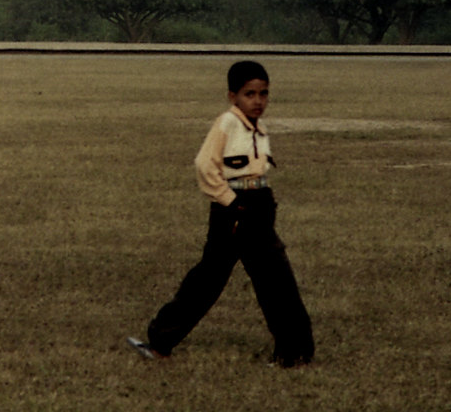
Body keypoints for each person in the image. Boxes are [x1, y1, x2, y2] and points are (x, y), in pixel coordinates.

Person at [128, 59, 314, 367]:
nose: (258, 101)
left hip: (259, 204)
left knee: (274, 278)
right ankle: (161, 340)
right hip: (236, 209)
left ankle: (295, 350)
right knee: (211, 279)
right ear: (232, 96)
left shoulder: (259, 127)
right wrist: (230, 200)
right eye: (249, 94)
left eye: (263, 94)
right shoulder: (227, 122)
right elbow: (204, 164)